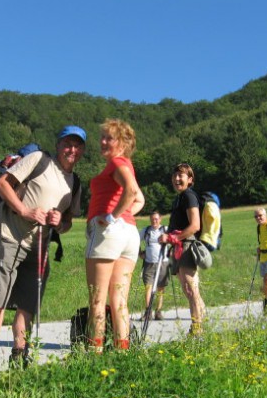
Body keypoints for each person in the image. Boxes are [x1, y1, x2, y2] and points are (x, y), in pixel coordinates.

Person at [0, 125, 86, 380]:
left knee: (27, 304)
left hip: (40, 247)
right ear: (58, 145)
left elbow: (68, 222)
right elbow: (3, 183)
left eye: (77, 145)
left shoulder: (75, 182)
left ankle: (19, 357)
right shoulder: (39, 160)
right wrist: (24, 211)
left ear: (82, 151)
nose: (72, 150)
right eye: (68, 144)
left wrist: (60, 222)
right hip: (10, 235)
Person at [85, 119, 145, 353]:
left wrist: (111, 218)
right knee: (119, 301)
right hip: (129, 233)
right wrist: (122, 216)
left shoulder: (117, 162)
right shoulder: (126, 164)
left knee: (97, 300)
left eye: (109, 138)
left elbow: (131, 192)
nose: (102, 141)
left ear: (122, 142)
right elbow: (139, 200)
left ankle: (95, 355)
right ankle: (123, 353)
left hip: (110, 233)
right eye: (102, 137)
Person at [159, 163, 206, 336]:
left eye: (182, 176)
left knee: (190, 289)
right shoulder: (180, 197)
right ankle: (201, 321)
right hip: (179, 246)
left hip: (186, 246)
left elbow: (195, 225)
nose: (177, 179)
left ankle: (197, 330)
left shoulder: (188, 196)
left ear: (190, 179)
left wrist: (172, 238)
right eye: (175, 175)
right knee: (189, 289)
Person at [139, 211, 169, 321]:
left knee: (161, 288)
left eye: (156, 219)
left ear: (160, 219)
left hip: (163, 262)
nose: (154, 221)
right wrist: (139, 253)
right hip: (148, 263)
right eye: (152, 219)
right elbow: (136, 239)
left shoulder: (165, 229)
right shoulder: (146, 231)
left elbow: (173, 240)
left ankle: (158, 312)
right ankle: (148, 312)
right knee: (148, 287)